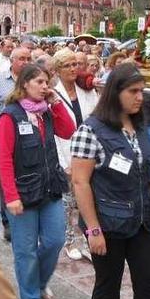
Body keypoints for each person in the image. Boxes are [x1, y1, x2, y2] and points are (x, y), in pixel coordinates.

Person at [70, 63, 150, 299]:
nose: (140, 97)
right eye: (134, 91)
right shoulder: (92, 130)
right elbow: (80, 182)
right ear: (116, 92)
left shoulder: (140, 127)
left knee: (148, 286)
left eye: (142, 91)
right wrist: (93, 228)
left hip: (143, 222)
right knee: (108, 286)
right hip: (109, 224)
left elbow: (148, 172)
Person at [0, 64, 74, 299]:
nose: (45, 87)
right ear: (25, 84)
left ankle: (39, 282)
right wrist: (11, 196)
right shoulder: (9, 116)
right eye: (40, 82)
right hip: (23, 192)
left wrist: (57, 104)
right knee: (25, 250)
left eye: (47, 82)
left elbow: (69, 130)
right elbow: (4, 160)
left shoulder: (46, 113)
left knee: (54, 240)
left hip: (50, 187)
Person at [51, 48, 99, 260]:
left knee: (88, 202)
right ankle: (70, 241)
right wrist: (64, 163)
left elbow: (97, 118)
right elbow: (56, 133)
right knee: (69, 202)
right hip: (67, 154)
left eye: (75, 64)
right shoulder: (54, 93)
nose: (73, 69)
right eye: (68, 65)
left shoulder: (86, 90)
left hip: (89, 152)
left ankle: (88, 241)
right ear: (58, 70)